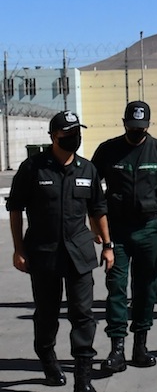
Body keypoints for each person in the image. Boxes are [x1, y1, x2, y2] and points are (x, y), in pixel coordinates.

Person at [7, 111, 114, 392]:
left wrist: (108, 245)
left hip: (79, 253)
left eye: (77, 131)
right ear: (54, 136)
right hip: (44, 253)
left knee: (83, 315)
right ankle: (48, 358)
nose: (74, 137)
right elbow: (15, 209)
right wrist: (18, 250)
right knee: (47, 314)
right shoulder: (33, 168)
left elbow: (98, 209)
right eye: (68, 133)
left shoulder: (87, 169)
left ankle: (83, 378)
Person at [91, 101, 157, 373]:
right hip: (117, 231)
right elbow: (92, 190)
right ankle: (117, 349)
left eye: (140, 128)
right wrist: (95, 226)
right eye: (132, 126)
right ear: (124, 124)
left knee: (146, 288)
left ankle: (140, 345)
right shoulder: (108, 150)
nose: (136, 131)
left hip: (148, 229)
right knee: (116, 288)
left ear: (148, 126)